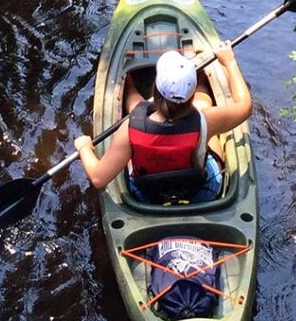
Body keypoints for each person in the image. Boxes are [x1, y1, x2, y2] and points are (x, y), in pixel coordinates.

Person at [74, 44, 252, 203]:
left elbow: (98, 178)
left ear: (156, 89)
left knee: (136, 108)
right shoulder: (208, 120)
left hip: (147, 197)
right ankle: (202, 83)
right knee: (204, 107)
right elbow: (245, 106)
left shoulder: (128, 129)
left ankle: (129, 85)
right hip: (201, 193)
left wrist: (84, 148)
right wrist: (230, 62)